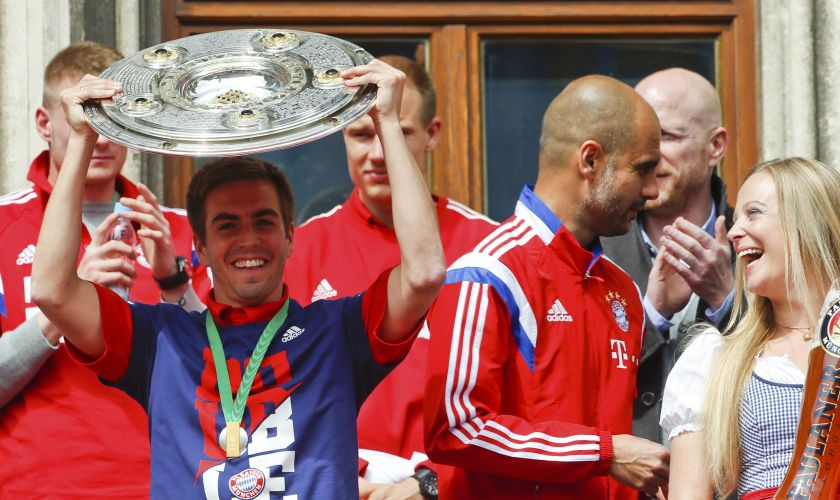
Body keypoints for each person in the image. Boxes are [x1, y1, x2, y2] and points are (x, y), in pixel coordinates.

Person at [32, 60, 445, 498]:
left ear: (289, 237)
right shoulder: (158, 341)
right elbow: (51, 292)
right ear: (202, 248)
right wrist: (81, 139)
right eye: (227, 225)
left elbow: (423, 273)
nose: (248, 241)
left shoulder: (339, 332)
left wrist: (388, 125)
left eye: (264, 222)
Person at [423, 75, 670, 498]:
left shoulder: (622, 288)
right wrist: (603, 453)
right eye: (643, 169)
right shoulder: (487, 273)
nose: (652, 191)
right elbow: (455, 429)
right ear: (590, 160)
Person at [0, 41, 207, 498]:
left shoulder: (177, 230)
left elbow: (224, 377)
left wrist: (173, 282)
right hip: (38, 486)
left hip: (168, 482)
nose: (104, 137)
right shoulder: (2, 226)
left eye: (114, 117)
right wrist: (66, 303)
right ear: (44, 123)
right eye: (86, 117)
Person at [285, 55, 497, 498]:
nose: (378, 153)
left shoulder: (489, 247)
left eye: (396, 132)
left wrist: (429, 484)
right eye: (362, 135)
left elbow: (509, 392)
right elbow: (274, 388)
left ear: (432, 134)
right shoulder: (300, 249)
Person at [661, 157, 840, 499]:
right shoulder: (717, 361)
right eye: (736, 216)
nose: (733, 231)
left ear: (808, 219)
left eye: (753, 212)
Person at [600, 67, 735, 443]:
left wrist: (726, 299)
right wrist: (652, 315)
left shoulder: (759, 243)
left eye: (667, 137)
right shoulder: (594, 250)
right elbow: (573, 384)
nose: (648, 155)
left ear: (716, 146)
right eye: (639, 139)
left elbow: (795, 375)